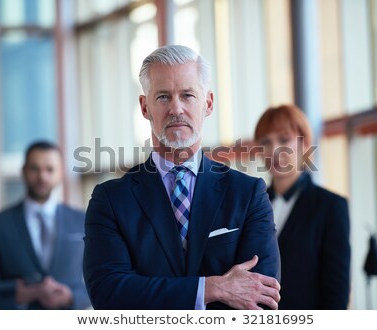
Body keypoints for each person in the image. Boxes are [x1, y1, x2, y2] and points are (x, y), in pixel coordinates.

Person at [83, 45, 281, 310]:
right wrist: (213, 288)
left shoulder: (247, 194)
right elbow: (109, 294)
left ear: (208, 103)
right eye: (163, 97)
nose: (176, 108)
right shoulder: (110, 200)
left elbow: (262, 296)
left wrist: (153, 292)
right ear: (145, 107)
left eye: (187, 95)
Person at [254, 104, 351, 309]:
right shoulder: (251, 204)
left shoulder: (331, 207)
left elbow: (337, 294)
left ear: (305, 144)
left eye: (283, 140)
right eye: (266, 142)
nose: (274, 150)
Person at [0, 141, 91, 309]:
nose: (42, 177)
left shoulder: (82, 221)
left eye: (50, 169)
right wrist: (23, 292)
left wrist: (72, 297)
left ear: (60, 173)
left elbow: (102, 280)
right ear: (23, 171)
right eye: (35, 169)